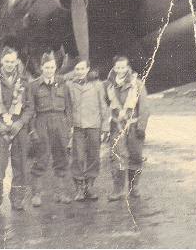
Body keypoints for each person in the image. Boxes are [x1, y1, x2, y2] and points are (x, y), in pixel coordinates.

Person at [0, 46, 34, 212]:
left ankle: (17, 199)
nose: (10, 65)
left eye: (13, 62)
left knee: (19, 165)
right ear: (1, 61)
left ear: (17, 62)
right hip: (0, 129)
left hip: (18, 127)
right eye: (7, 61)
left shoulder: (24, 81)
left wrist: (19, 124)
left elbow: (29, 107)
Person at [28, 51, 72, 207]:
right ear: (41, 68)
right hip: (42, 123)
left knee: (62, 158)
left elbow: (69, 108)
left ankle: (60, 193)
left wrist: (69, 128)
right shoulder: (33, 86)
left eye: (52, 67)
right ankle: (36, 194)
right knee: (42, 157)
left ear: (55, 68)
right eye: (46, 67)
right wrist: (32, 130)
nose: (49, 70)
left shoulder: (62, 84)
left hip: (60, 123)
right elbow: (30, 110)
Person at [105, 55, 150, 201]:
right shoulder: (108, 85)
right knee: (117, 157)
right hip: (117, 126)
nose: (120, 70)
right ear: (114, 67)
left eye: (123, 67)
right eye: (117, 67)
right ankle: (118, 190)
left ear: (127, 67)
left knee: (135, 156)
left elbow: (144, 107)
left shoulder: (137, 83)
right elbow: (105, 105)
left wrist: (141, 127)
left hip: (134, 126)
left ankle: (133, 187)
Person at [66, 59, 110, 201]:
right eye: (77, 69)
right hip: (78, 126)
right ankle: (79, 188)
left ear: (88, 69)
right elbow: (68, 108)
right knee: (77, 157)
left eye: (82, 69)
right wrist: (69, 128)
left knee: (93, 156)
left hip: (94, 125)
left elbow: (103, 106)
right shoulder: (70, 86)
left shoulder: (97, 85)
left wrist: (105, 127)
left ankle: (89, 187)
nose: (79, 72)